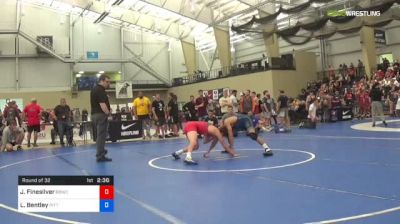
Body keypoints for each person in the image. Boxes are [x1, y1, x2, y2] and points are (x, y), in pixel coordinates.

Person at [171, 121, 238, 165]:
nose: (222, 137)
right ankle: (188, 158)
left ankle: (177, 153)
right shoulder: (215, 130)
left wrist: (208, 151)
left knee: (196, 146)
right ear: (222, 133)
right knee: (193, 142)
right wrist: (233, 153)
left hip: (191, 126)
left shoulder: (212, 132)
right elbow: (224, 144)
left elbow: (205, 142)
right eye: (223, 135)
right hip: (191, 125)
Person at [90, 74, 112, 162]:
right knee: (101, 136)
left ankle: (101, 151)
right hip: (100, 115)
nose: (108, 84)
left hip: (95, 114)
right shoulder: (100, 90)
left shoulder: (94, 89)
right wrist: (108, 113)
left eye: (109, 82)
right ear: (101, 81)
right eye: (107, 82)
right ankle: (100, 155)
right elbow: (102, 104)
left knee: (101, 135)